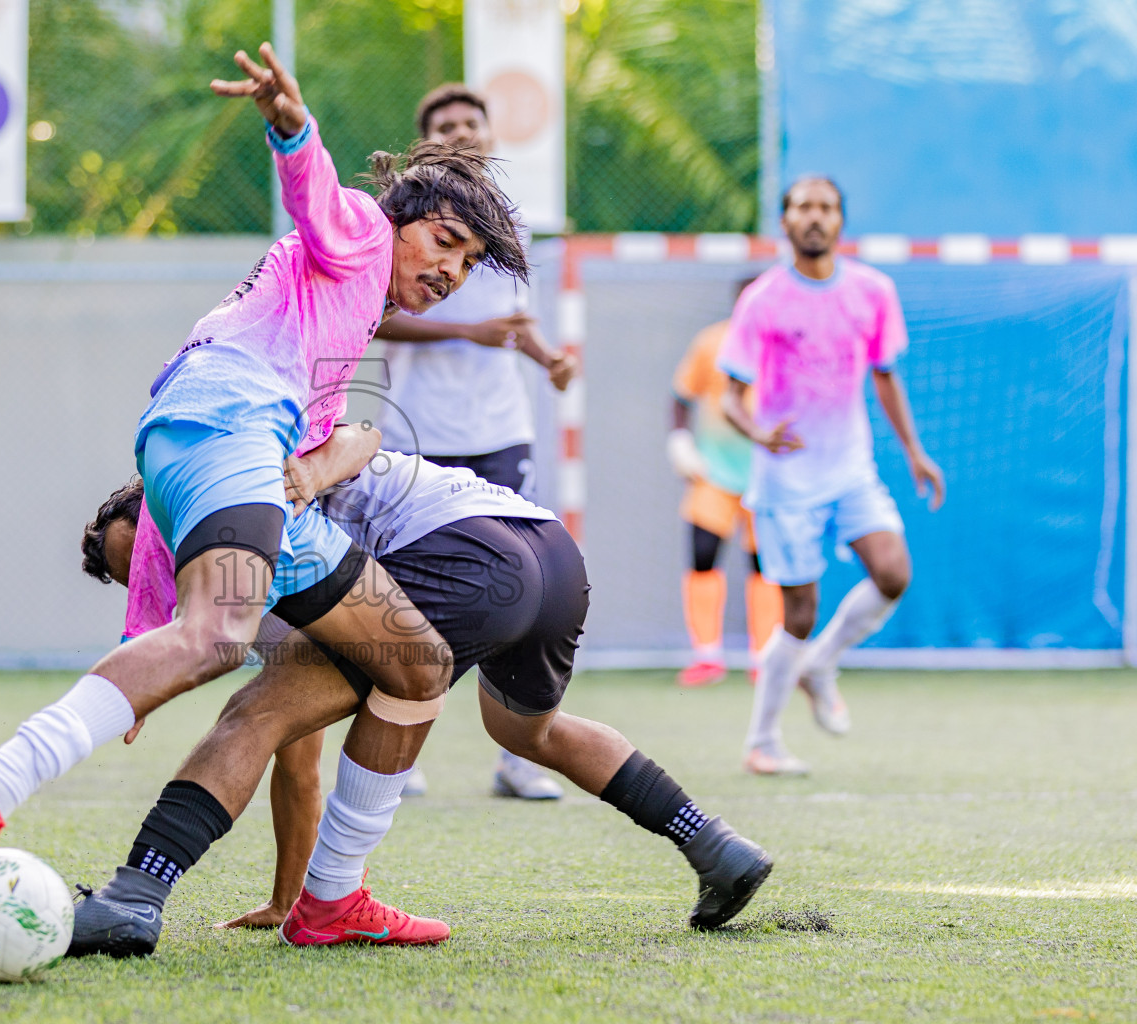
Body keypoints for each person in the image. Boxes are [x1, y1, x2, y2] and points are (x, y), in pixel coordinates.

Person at [0, 42, 529, 933]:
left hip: (255, 461)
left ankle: (328, 898)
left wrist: (144, 632)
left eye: (468, 265)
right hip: (233, 422)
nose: (450, 271)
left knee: (415, 660)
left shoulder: (341, 313)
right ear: (401, 218)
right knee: (218, 638)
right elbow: (313, 188)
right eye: (445, 243)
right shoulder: (356, 231)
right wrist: (291, 124)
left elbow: (232, 479)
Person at [67, 426, 773, 955]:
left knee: (260, 708)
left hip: (459, 552)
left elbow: (355, 431)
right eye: (150, 585)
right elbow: (296, 749)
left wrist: (145, 687)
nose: (172, 582)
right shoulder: (236, 519)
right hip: (545, 555)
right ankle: (714, 846)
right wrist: (285, 895)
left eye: (161, 558)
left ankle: (138, 894)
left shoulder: (235, 510)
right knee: (528, 732)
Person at [371, 82, 579, 800]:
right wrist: (468, 331)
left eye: (472, 122)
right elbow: (377, 317)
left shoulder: (510, 228)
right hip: (418, 432)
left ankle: (520, 755)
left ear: (491, 135)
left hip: (500, 433)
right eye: (446, 124)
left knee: (518, 586)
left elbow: (513, 327)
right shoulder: (403, 221)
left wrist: (548, 357)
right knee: (406, 595)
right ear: (428, 140)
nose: (462, 132)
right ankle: (397, 742)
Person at [718, 176, 945, 776]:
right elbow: (730, 398)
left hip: (850, 469)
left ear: (841, 221)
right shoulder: (763, 300)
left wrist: (916, 453)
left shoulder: (873, 290)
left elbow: (886, 375)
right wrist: (759, 433)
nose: (814, 218)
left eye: (826, 208)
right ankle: (762, 743)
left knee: (894, 572)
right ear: (785, 221)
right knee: (798, 613)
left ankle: (821, 664)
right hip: (786, 479)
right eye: (802, 208)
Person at [667, 281, 783, 687]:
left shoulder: (785, 349)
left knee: (766, 565)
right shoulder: (712, 342)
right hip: (714, 472)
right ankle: (707, 656)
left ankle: (765, 656)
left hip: (768, 476)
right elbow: (681, 395)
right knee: (702, 555)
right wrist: (680, 440)